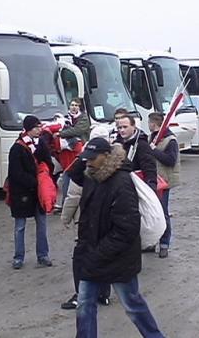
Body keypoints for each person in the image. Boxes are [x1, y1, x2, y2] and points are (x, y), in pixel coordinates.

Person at [72, 137, 165, 338]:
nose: (87, 162)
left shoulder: (121, 183)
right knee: (84, 304)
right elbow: (73, 178)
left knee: (132, 304)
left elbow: (127, 229)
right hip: (92, 254)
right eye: (86, 158)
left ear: (107, 156)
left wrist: (98, 253)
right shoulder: (91, 176)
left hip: (118, 257)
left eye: (92, 158)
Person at [61, 126, 111, 310]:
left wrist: (65, 217)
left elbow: (73, 195)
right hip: (104, 223)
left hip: (86, 221)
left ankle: (81, 294)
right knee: (102, 256)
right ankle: (104, 293)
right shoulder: (115, 166)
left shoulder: (83, 166)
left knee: (81, 258)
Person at [8, 115, 52, 269]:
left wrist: (45, 175)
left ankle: (43, 255)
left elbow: (49, 162)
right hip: (22, 194)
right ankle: (18, 257)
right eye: (36, 127)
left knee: (42, 225)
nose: (39, 130)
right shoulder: (17, 148)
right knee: (20, 226)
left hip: (38, 193)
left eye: (39, 126)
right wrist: (35, 182)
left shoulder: (41, 144)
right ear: (28, 129)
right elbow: (15, 173)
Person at [148, 112, 181, 259]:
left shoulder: (170, 140)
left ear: (154, 124)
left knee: (162, 213)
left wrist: (154, 150)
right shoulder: (153, 137)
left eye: (149, 123)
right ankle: (151, 242)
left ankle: (164, 244)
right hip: (152, 180)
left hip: (164, 182)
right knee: (151, 213)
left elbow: (170, 161)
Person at [57, 98, 90, 205]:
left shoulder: (84, 118)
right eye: (72, 105)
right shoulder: (65, 118)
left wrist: (61, 133)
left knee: (76, 175)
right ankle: (65, 202)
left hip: (79, 151)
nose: (74, 107)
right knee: (67, 174)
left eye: (76, 105)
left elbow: (77, 131)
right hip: (66, 152)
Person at [115, 114, 157, 191]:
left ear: (133, 126)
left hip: (137, 186)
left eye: (125, 127)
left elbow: (149, 166)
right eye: (119, 128)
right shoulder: (116, 143)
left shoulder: (142, 144)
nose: (122, 130)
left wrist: (151, 186)